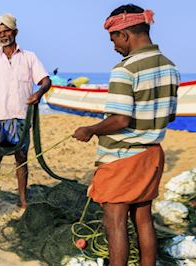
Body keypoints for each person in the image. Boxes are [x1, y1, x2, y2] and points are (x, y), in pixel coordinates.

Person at [72, 4, 178, 266]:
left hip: (122, 158)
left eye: (113, 38)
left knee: (115, 222)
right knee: (143, 219)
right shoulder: (170, 67)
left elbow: (120, 119)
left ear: (126, 34)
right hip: (152, 154)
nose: (113, 46)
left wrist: (90, 130)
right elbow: (170, 116)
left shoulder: (125, 70)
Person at [0, 13, 52, 213]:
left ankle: (23, 200)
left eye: (7, 30)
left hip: (21, 117)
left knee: (21, 158)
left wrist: (39, 92)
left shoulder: (29, 57)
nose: (3, 35)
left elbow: (45, 81)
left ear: (15, 32)